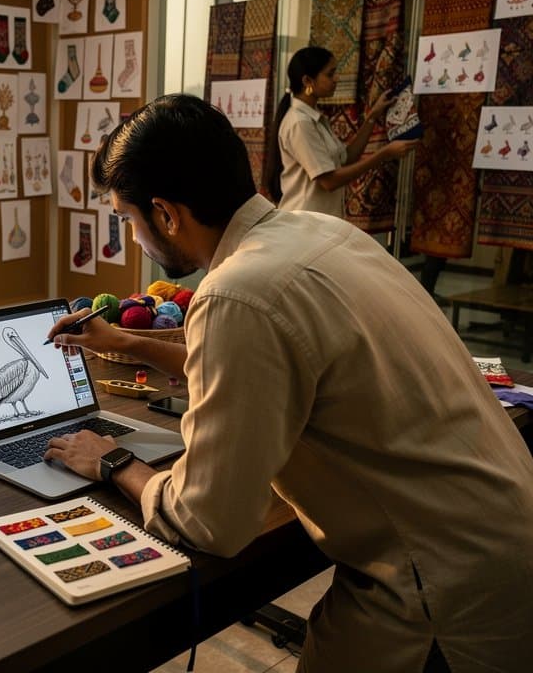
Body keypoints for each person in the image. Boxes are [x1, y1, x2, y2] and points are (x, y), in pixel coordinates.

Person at [44, 94, 533, 673]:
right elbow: (276, 357)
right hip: (500, 540)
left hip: (440, 589)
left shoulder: (237, 292)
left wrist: (112, 460)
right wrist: (126, 342)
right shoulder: (320, 233)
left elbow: (208, 522)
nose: (132, 239)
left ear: (166, 214)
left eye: (128, 220)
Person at [262, 46, 418, 217]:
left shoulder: (316, 119)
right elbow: (329, 181)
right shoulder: (300, 123)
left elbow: (347, 157)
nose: (336, 78)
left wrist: (373, 116)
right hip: (305, 225)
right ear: (308, 81)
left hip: (318, 223)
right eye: (330, 74)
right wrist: (384, 154)